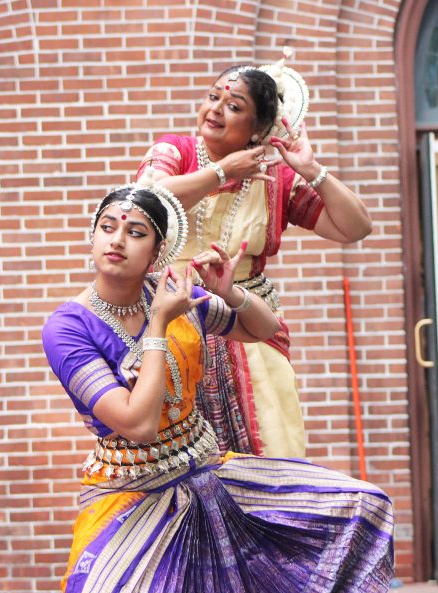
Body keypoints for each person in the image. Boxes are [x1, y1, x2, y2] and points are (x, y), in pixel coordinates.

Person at [42, 175, 393, 593]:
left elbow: (265, 330)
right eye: (107, 227)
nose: (117, 240)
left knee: (362, 505)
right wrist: (160, 325)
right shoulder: (68, 327)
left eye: (136, 232)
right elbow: (137, 424)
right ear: (93, 235)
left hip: (210, 470)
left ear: (159, 250)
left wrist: (231, 293)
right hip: (133, 491)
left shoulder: (171, 296)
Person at [139, 53, 371, 459]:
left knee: (267, 451)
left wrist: (312, 168)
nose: (215, 109)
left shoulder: (276, 180)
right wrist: (223, 172)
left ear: (259, 128)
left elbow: (356, 227)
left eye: (233, 106)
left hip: (248, 322)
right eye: (213, 97)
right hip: (171, 316)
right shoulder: (175, 151)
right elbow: (148, 199)